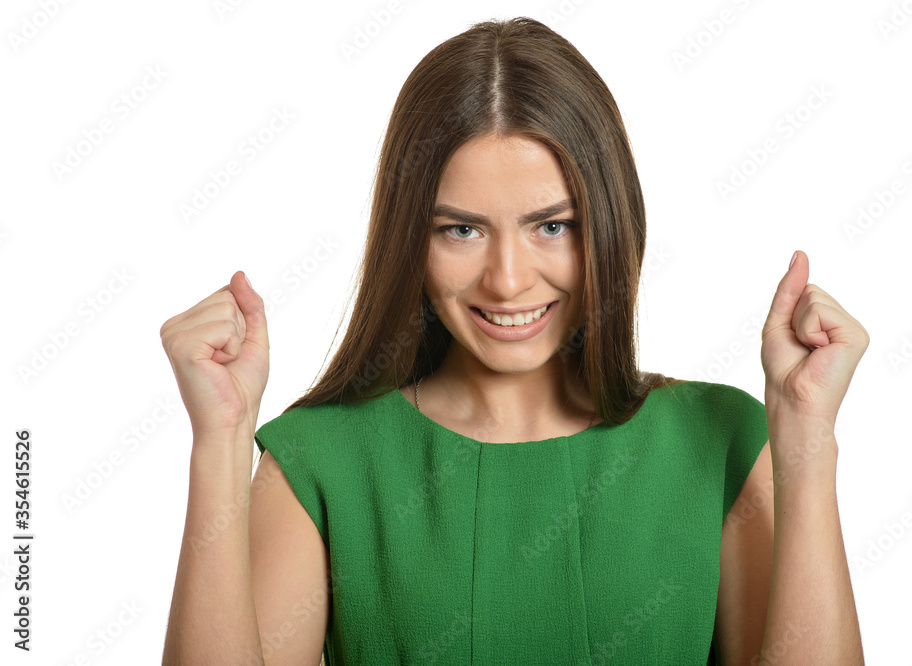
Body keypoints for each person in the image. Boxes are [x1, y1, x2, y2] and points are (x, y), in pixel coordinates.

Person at [159, 16, 867, 665]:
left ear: (609, 226)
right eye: (460, 229)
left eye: (550, 225)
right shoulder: (321, 462)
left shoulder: (719, 440)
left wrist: (806, 438)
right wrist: (219, 441)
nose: (506, 280)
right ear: (413, 237)